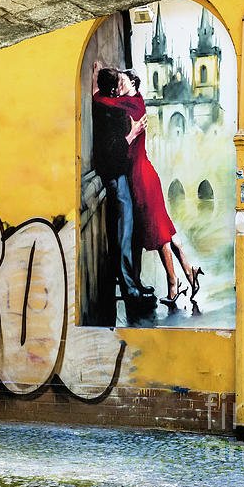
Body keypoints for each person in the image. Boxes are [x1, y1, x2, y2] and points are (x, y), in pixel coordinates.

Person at [95, 67, 204, 309]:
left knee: (159, 232)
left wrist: (98, 91)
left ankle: (175, 282)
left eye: (123, 81)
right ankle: (189, 271)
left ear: (133, 84)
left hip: (141, 177)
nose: (119, 86)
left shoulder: (132, 105)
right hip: (141, 174)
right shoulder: (134, 101)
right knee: (163, 230)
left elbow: (104, 102)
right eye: (118, 82)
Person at [92, 66, 156, 323]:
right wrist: (132, 134)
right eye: (117, 83)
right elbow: (114, 149)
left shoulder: (108, 105)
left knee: (128, 233)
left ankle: (133, 285)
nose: (120, 88)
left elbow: (100, 98)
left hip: (118, 177)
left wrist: (98, 83)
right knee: (125, 233)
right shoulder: (112, 110)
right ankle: (131, 290)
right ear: (112, 88)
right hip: (117, 178)